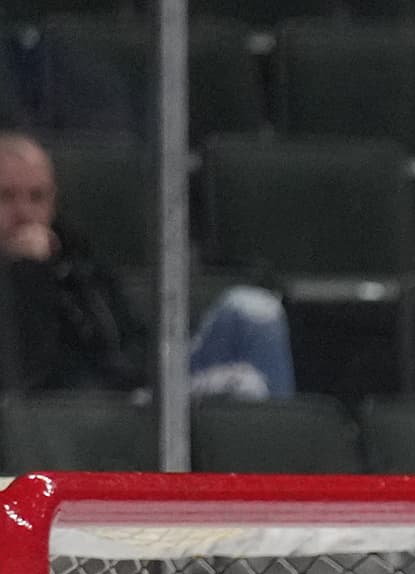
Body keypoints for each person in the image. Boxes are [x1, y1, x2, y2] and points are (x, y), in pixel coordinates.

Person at [0, 133, 295, 401]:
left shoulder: (74, 254)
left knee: (252, 309)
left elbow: (127, 337)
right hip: (83, 415)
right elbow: (28, 375)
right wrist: (27, 271)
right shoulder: (28, 268)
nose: (25, 212)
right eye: (7, 196)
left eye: (37, 197)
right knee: (247, 386)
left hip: (138, 396)